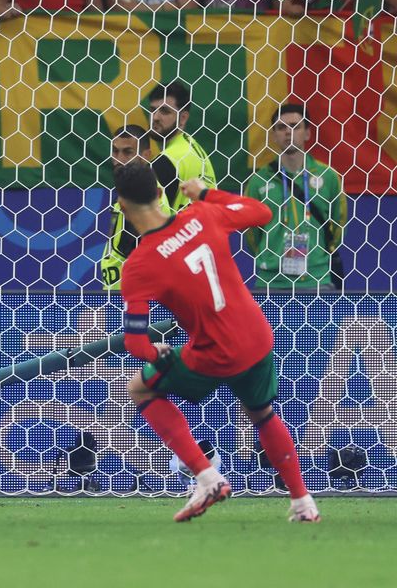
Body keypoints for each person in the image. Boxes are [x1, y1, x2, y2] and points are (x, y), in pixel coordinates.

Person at [116, 162, 320, 523]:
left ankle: (207, 476)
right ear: (162, 193)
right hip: (256, 337)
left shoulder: (138, 266)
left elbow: (135, 343)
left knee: (140, 389)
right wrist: (206, 193)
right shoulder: (203, 213)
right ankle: (303, 503)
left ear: (120, 205)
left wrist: (154, 352)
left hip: (213, 354)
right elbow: (261, 211)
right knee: (262, 413)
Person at [245, 103, 347, 291]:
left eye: (295, 126)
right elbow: (250, 232)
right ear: (274, 135)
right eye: (281, 127)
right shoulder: (258, 181)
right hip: (270, 283)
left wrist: (319, 257)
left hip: (316, 280)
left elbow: (338, 223)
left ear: (307, 133)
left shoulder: (328, 176)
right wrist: (267, 256)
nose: (288, 132)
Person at [100, 124, 170, 291]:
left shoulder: (145, 205)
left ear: (146, 156)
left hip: (132, 305)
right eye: (115, 151)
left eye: (128, 152)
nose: (119, 160)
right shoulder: (130, 194)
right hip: (117, 302)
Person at [147, 82, 216, 213]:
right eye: (152, 110)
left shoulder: (167, 160)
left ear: (183, 118)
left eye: (165, 111)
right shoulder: (195, 148)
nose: (155, 117)